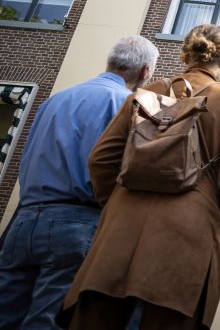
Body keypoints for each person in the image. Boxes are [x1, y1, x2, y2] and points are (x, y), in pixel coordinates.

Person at [57, 24, 220, 330]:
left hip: (122, 224)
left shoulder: (146, 94)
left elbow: (101, 158)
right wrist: (218, 211)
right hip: (189, 229)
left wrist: (116, 202)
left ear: (184, 55)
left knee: (95, 318)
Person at [0, 36, 158, 329]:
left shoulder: (55, 99)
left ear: (110, 62)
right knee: (47, 320)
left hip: (23, 221)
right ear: (146, 72)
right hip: (76, 223)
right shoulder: (126, 105)